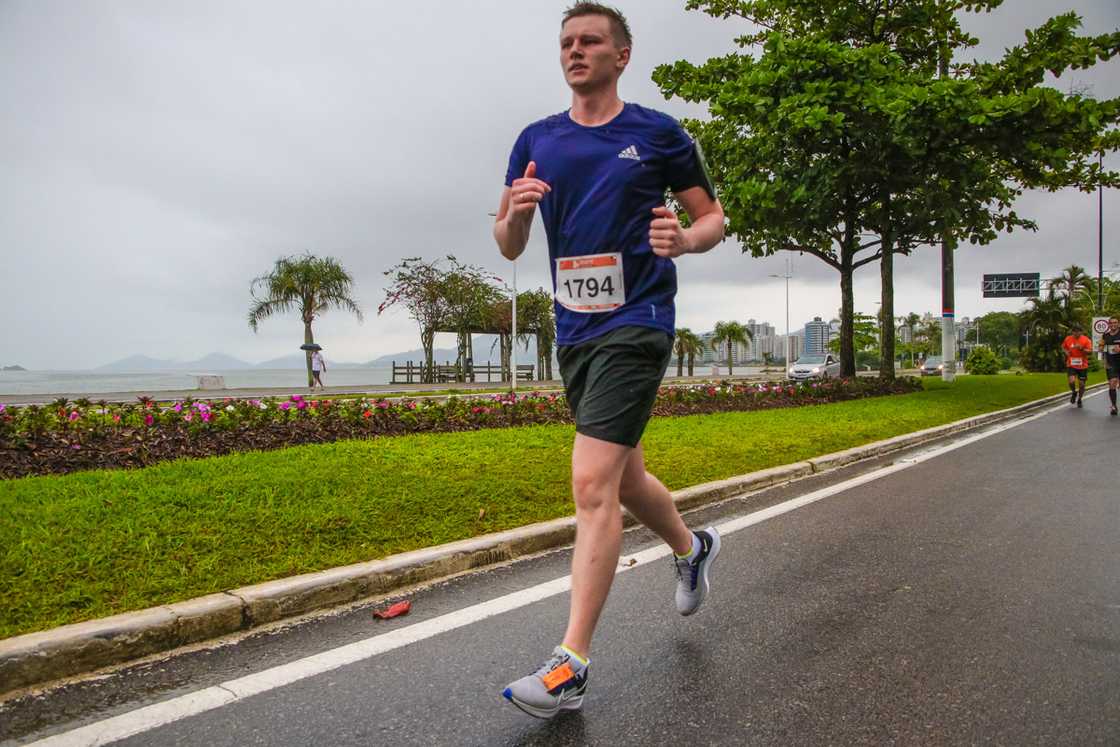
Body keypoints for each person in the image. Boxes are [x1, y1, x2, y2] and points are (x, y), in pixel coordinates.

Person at [492, 2, 726, 719]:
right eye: (567, 41)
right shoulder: (536, 140)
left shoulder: (656, 133)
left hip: (639, 320)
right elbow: (505, 242)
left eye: (591, 40)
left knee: (591, 481)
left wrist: (684, 240)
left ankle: (572, 663)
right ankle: (692, 547)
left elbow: (712, 216)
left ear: (621, 55)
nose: (576, 50)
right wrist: (520, 213)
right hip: (577, 331)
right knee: (626, 480)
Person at [1062, 325, 1093, 408]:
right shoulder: (1068, 338)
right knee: (1071, 381)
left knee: (1081, 384)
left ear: (1081, 332)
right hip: (1071, 364)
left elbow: (1090, 351)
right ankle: (1074, 392)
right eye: (1074, 331)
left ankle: (1080, 399)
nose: (1076, 333)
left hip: (1082, 365)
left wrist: (1082, 349)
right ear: (1072, 332)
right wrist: (1066, 352)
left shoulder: (1086, 340)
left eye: (1078, 331)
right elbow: (1063, 347)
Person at [1098, 316, 1120, 416]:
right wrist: (1103, 360)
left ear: (1118, 324)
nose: (1113, 324)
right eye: (1111, 323)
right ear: (1109, 325)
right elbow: (1101, 348)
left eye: (1115, 322)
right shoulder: (1105, 336)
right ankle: (1114, 406)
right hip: (1111, 364)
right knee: (1112, 383)